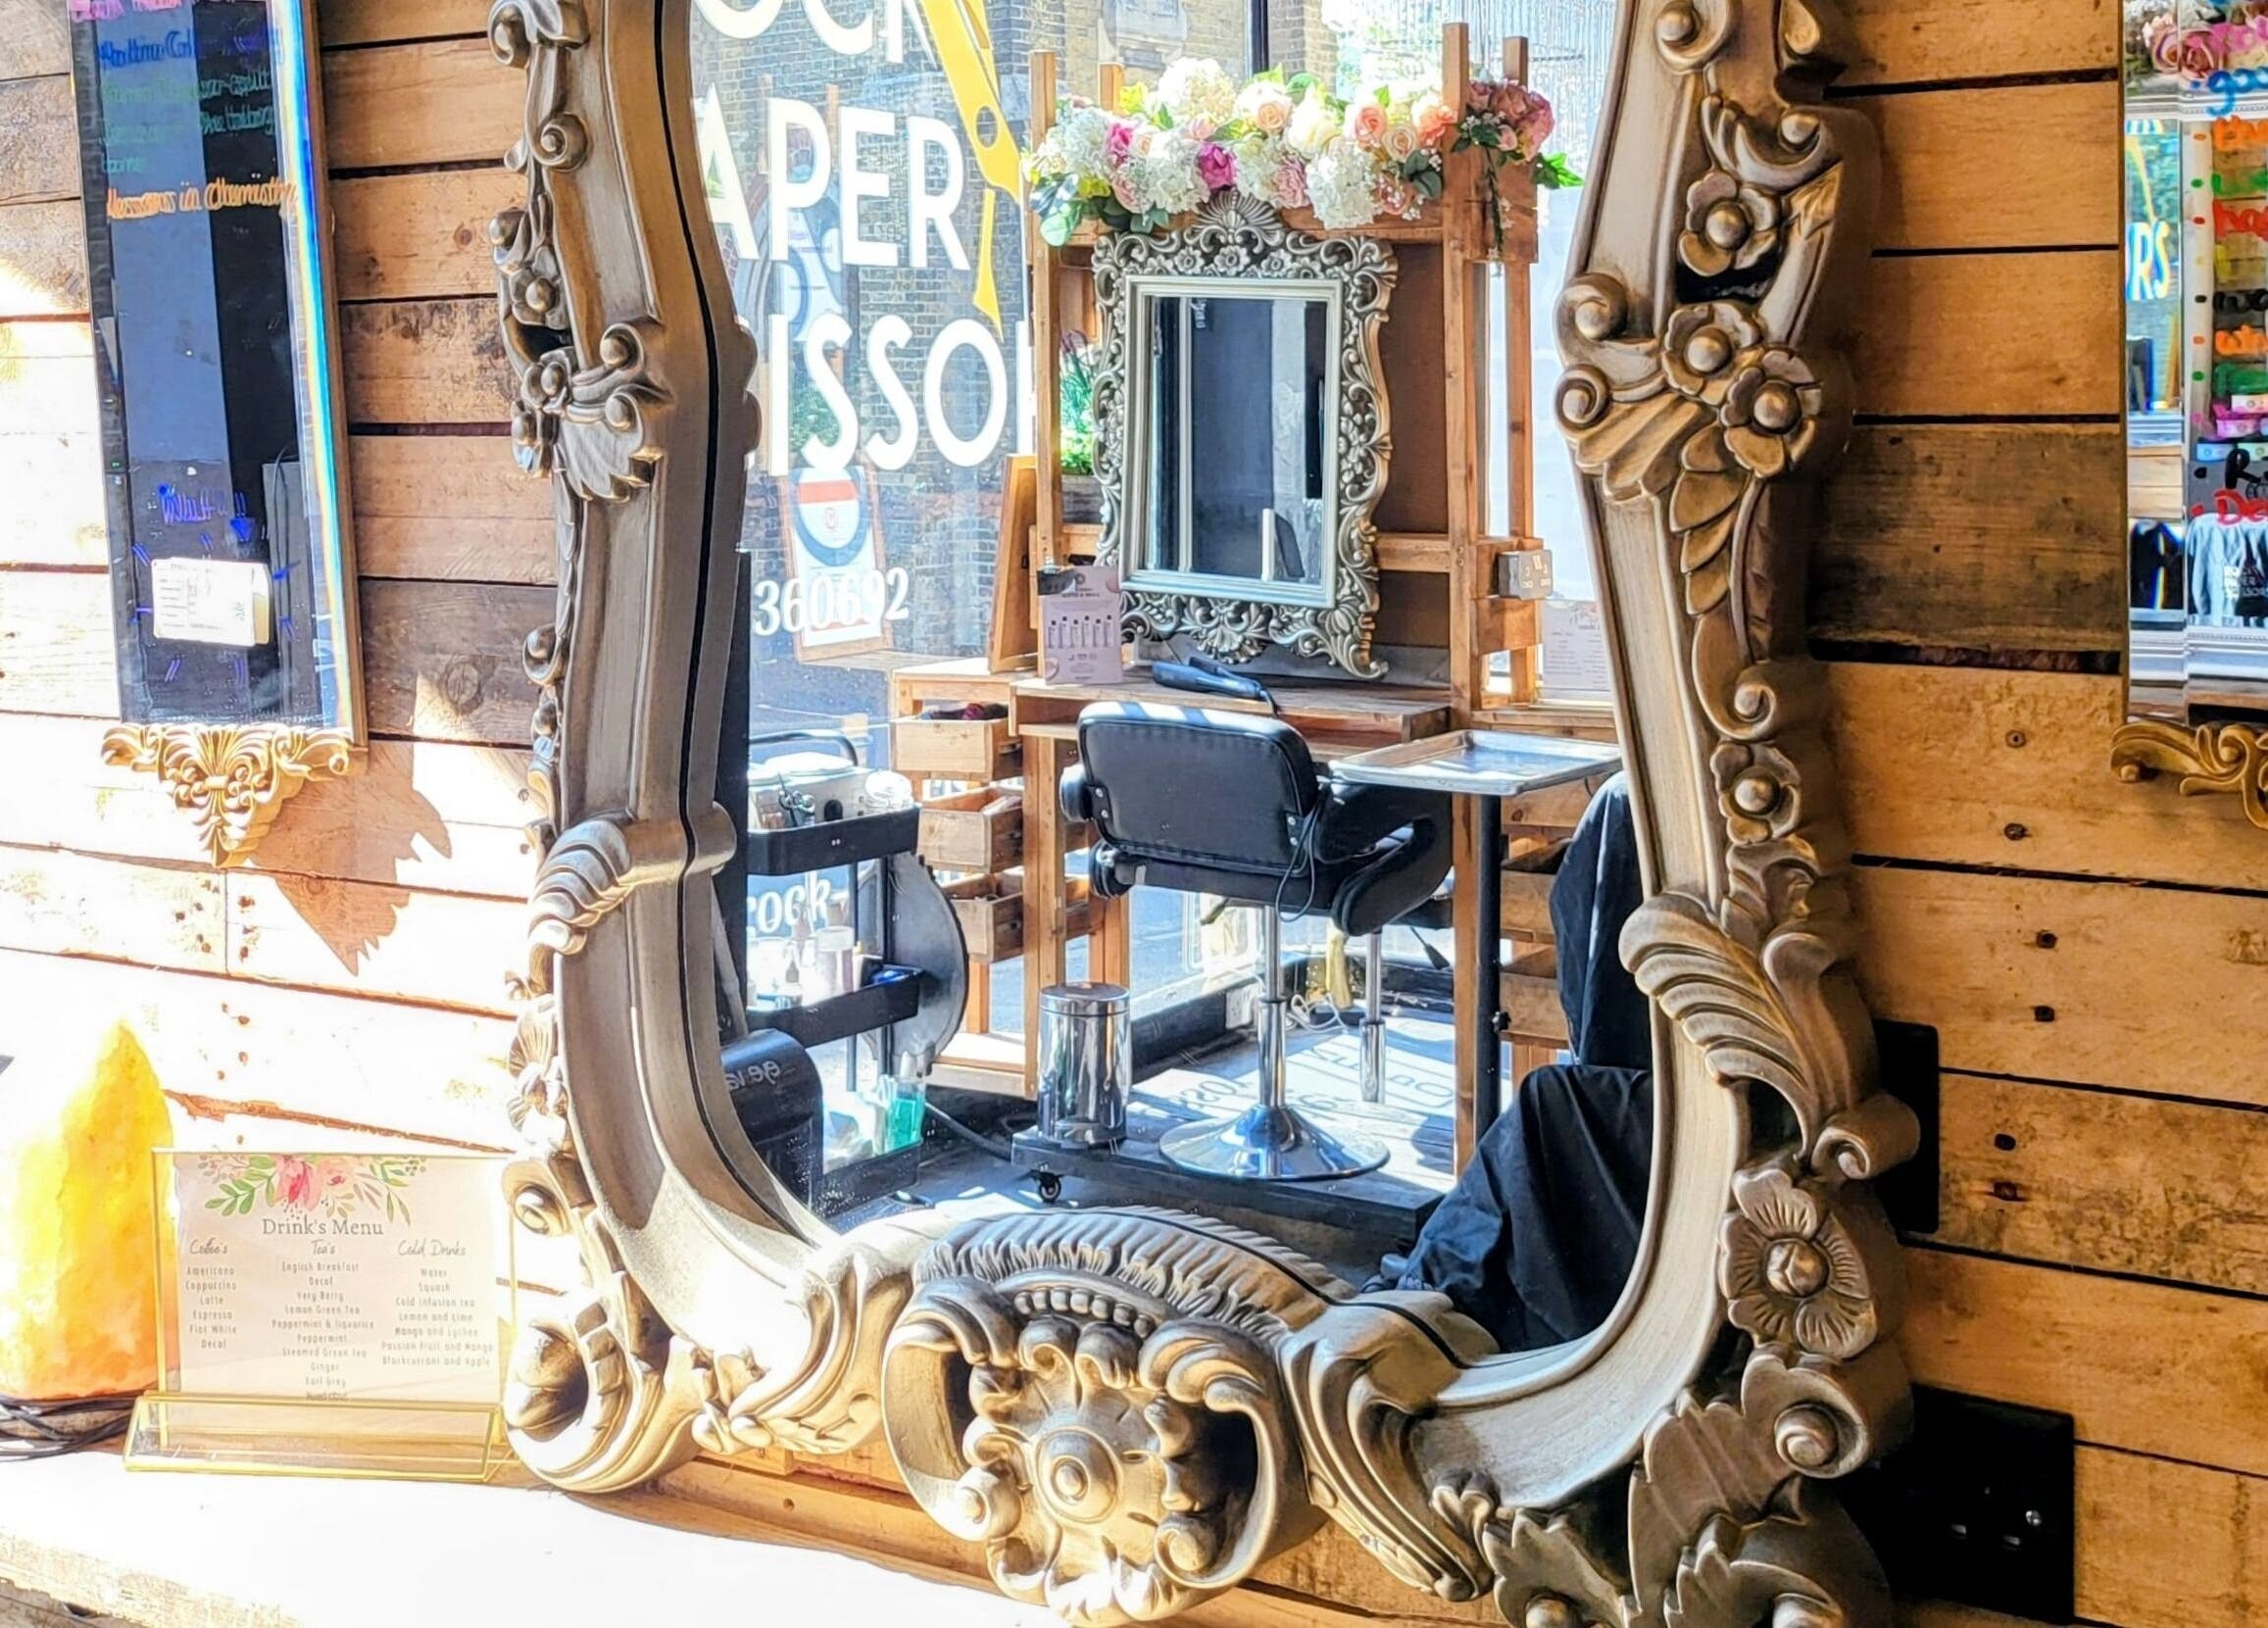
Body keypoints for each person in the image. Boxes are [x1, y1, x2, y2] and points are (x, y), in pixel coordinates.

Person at [1366, 774, 1652, 1352]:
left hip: (1675, 1110)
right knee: (1553, 1112)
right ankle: (1432, 1286)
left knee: (1558, 1105)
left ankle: (1426, 1292)